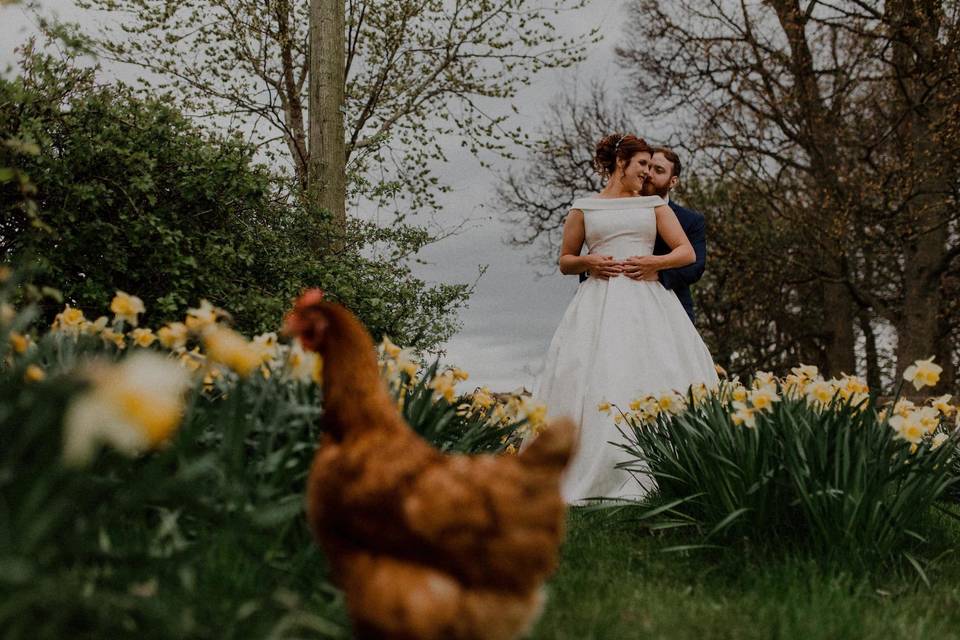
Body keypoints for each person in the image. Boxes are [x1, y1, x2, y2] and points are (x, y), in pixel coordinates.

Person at [534, 133, 718, 504]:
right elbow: (565, 260)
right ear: (621, 164)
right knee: (595, 375)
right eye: (642, 166)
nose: (647, 173)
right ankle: (589, 466)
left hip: (647, 300)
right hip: (598, 302)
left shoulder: (653, 205)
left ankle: (663, 466)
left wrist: (655, 262)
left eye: (652, 167)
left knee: (651, 371)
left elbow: (685, 253)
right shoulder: (583, 208)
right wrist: (589, 262)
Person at [581, 147, 706, 325]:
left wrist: (657, 272)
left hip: (673, 310)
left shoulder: (691, 220)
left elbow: (696, 265)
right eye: (647, 166)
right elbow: (598, 250)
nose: (649, 173)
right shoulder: (613, 209)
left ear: (673, 181)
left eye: (659, 170)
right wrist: (590, 268)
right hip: (615, 307)